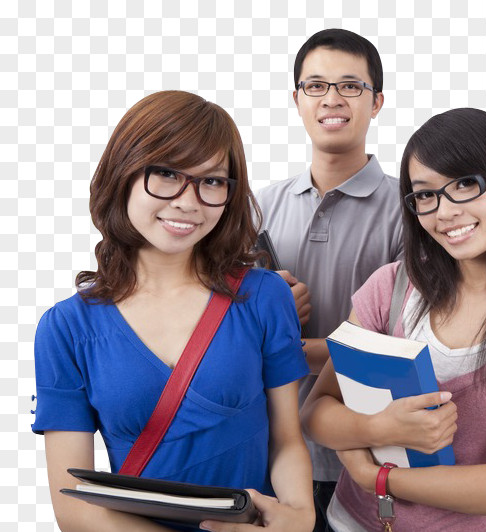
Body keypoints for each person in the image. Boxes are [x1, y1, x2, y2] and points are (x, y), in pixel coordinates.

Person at [301, 108, 486, 530]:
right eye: (425, 195)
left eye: (464, 184)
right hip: (347, 523)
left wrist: (380, 477)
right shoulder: (391, 284)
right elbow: (316, 412)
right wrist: (378, 426)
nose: (444, 212)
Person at [31, 90, 315, 532]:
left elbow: (286, 440)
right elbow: (73, 508)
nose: (189, 200)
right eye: (165, 173)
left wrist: (298, 516)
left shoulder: (262, 297)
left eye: (213, 181)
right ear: (122, 174)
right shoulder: (66, 328)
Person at [254, 29, 403, 529]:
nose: (332, 99)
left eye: (350, 86)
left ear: (377, 101)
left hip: (370, 452)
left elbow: (404, 344)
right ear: (296, 100)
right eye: (315, 86)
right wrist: (265, 314)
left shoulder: (416, 209)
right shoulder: (254, 209)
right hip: (270, 448)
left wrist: (282, 344)